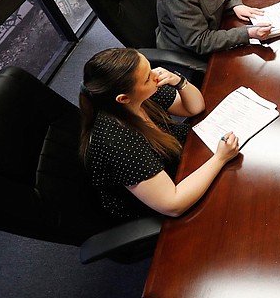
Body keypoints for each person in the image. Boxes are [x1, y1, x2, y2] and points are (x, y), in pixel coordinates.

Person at [79, 48, 240, 219]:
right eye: (148, 77)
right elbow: (173, 205)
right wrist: (220, 158)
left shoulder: (140, 93)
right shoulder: (117, 142)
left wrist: (179, 82)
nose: (156, 75)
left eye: (150, 68)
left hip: (175, 162)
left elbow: (194, 108)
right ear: (124, 98)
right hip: (155, 206)